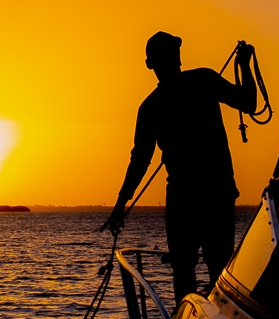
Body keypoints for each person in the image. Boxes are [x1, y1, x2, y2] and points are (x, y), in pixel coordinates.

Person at [103, 31, 258, 302]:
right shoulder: (198, 83)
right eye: (171, 53)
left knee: (189, 271)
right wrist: (244, 65)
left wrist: (119, 207)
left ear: (151, 64)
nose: (175, 58)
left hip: (194, 198)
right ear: (158, 62)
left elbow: (140, 161)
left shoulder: (154, 105)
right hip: (210, 194)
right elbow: (249, 102)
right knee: (211, 269)